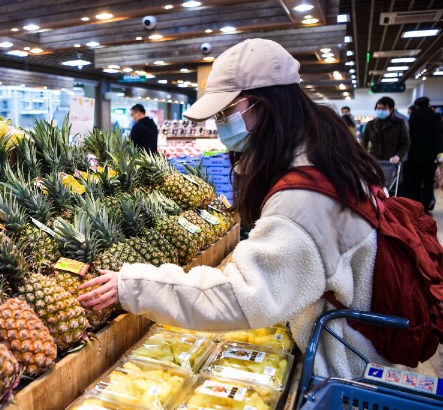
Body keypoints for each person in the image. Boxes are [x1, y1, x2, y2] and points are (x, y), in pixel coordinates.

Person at [78, 38, 439, 379]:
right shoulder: (323, 150)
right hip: (356, 351)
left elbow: (242, 296)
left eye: (225, 112)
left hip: (344, 374)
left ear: (261, 106)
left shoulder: (302, 199)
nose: (221, 125)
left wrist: (135, 286)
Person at [402, 96, 443, 212]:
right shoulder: (435, 117)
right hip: (430, 158)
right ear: (428, 104)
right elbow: (438, 137)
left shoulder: (412, 117)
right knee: (428, 184)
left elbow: (408, 138)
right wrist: (439, 153)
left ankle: (415, 207)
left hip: (413, 157)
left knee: (415, 183)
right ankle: (425, 207)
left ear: (417, 105)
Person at [361, 96, 410, 168]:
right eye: (378, 108)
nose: (381, 111)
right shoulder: (370, 124)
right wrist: (364, 155)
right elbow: (364, 141)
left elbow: (405, 143)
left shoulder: (399, 123)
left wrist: (398, 156)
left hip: (392, 162)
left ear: (391, 109)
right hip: (375, 161)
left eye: (384, 109)